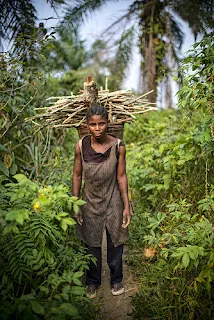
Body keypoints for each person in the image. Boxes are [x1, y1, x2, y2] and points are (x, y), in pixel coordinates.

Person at [72, 104, 131, 299]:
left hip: (113, 198)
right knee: (91, 242)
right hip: (90, 200)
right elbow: (77, 176)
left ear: (108, 124)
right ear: (87, 125)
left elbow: (121, 177)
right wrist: (76, 203)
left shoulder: (118, 146)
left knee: (116, 241)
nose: (97, 129)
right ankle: (92, 281)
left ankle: (116, 280)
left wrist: (126, 205)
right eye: (92, 125)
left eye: (101, 124)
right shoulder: (81, 146)